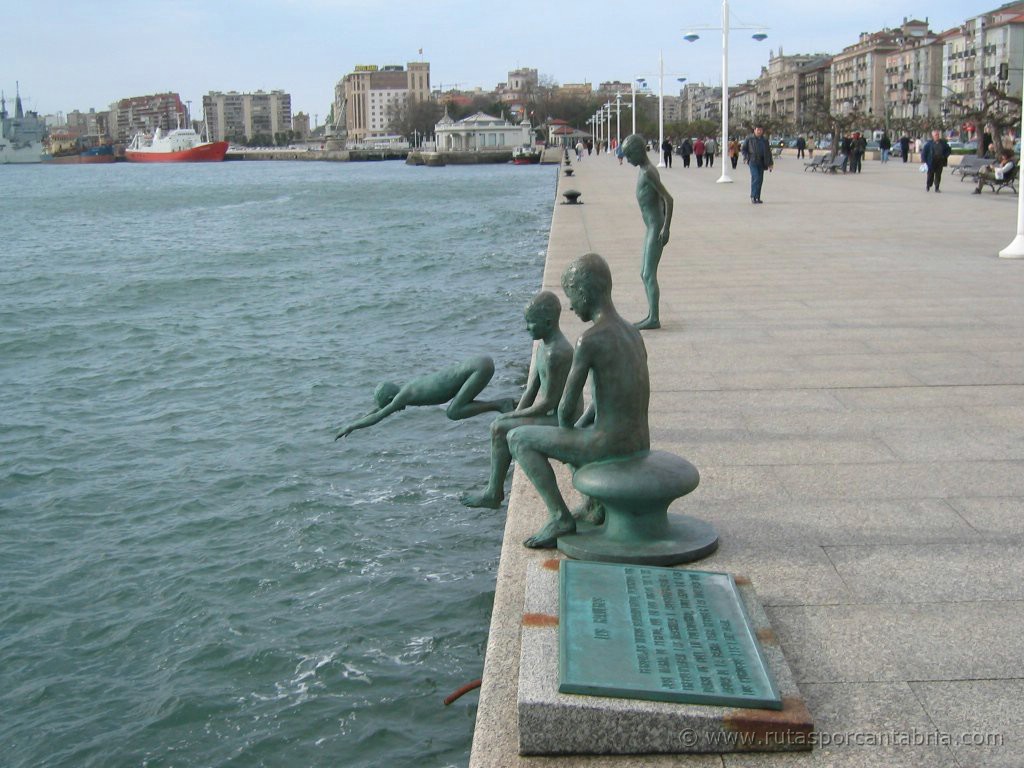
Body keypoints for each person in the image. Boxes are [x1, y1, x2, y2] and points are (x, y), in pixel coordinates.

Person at [508, 253, 651, 549]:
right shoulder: (633, 333)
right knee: (580, 435)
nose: (570, 306)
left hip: (611, 444)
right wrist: (580, 430)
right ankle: (594, 504)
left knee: (518, 439)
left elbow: (564, 409)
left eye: (571, 296)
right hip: (639, 441)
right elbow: (605, 401)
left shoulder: (590, 340)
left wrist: (566, 439)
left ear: (584, 292)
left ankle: (559, 516)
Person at [461, 292, 577, 509]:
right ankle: (493, 491)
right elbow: (531, 390)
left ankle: (494, 493)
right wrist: (511, 416)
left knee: (500, 426)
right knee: (500, 425)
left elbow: (549, 403)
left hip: (562, 419)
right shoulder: (543, 346)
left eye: (530, 323)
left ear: (548, 322)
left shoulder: (557, 353)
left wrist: (514, 416)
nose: (526, 328)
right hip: (551, 414)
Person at [335, 356, 515, 439]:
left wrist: (351, 426)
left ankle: (501, 404)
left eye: (391, 404)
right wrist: (359, 419)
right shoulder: (407, 389)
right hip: (480, 363)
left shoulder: (404, 396)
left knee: (453, 412)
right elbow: (380, 410)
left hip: (478, 369)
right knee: (455, 409)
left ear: (391, 398)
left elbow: (379, 416)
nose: (396, 408)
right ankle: (501, 404)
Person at [621, 133, 673, 330]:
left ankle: (654, 318)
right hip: (651, 227)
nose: (627, 160)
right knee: (644, 273)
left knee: (649, 274)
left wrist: (666, 228)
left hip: (656, 228)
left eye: (629, 156)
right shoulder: (644, 170)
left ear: (637, 152)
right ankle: (651, 314)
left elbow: (668, 199)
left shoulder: (649, 172)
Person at [742, 125, 773, 204]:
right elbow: (744, 149)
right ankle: (753, 196)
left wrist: (770, 163)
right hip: (753, 160)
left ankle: (757, 197)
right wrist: (746, 157)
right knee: (755, 177)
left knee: (760, 179)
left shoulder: (764, 140)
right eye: (758, 130)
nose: (759, 131)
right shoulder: (749, 139)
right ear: (754, 130)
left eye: (761, 130)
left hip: (762, 162)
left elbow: (768, 152)